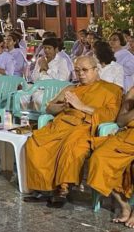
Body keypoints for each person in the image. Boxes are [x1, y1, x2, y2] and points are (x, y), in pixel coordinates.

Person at [24, 56, 122, 208]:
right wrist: (63, 106)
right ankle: (44, 188)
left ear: (96, 70)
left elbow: (110, 115)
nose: (81, 74)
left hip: (85, 127)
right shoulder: (71, 88)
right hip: (62, 124)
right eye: (77, 71)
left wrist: (81, 106)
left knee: (72, 146)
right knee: (35, 142)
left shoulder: (111, 90)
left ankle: (63, 189)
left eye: (85, 70)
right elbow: (49, 107)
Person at [87, 85, 134, 227]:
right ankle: (125, 206)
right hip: (128, 136)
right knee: (99, 158)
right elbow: (120, 121)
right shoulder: (133, 91)